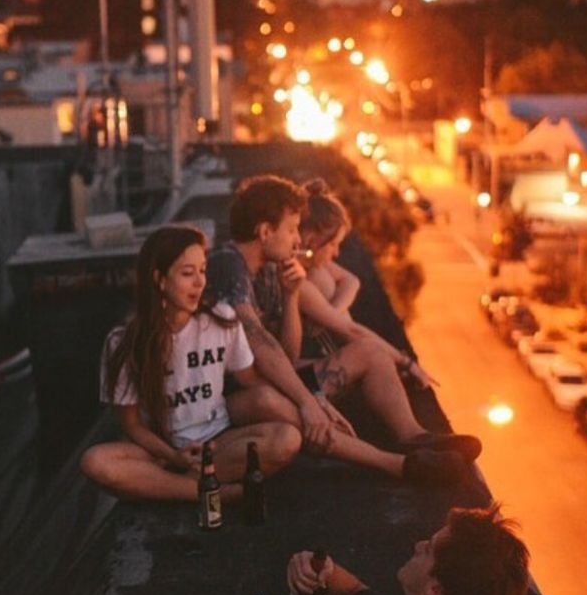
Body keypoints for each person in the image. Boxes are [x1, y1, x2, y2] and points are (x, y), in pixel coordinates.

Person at [205, 175, 480, 484]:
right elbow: (261, 347)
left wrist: (291, 295)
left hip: (264, 381)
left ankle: (415, 438)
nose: (298, 241)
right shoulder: (227, 265)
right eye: (292, 229)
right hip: (225, 397)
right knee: (271, 400)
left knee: (371, 353)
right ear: (266, 232)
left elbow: (286, 353)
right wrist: (310, 402)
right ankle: (398, 465)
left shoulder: (271, 269)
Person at [81, 225, 302, 502]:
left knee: (286, 439)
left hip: (218, 441)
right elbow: (132, 424)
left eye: (203, 270)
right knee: (95, 461)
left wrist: (311, 402)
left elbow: (252, 380)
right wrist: (172, 455)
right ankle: (212, 493)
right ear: (160, 280)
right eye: (188, 273)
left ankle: (168, 487)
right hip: (160, 451)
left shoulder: (221, 319)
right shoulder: (123, 342)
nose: (200, 283)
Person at [232, 504, 530, 595]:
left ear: (435, 588)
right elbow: (359, 594)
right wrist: (322, 569)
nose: (418, 545)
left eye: (429, 550)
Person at [297, 178, 435, 389]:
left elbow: (352, 281)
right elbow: (352, 331)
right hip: (300, 379)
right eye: (333, 244)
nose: (336, 253)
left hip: (309, 367)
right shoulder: (300, 278)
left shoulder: (311, 265)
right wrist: (405, 361)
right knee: (372, 353)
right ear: (310, 240)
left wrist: (331, 313)